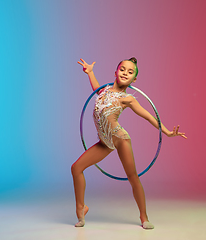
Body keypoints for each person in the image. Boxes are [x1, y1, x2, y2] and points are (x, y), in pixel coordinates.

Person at [71, 57, 187, 229]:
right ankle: (81, 208)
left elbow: (148, 116)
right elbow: (96, 88)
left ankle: (144, 217)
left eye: (130, 72)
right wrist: (90, 72)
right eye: (123, 69)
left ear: (134, 79)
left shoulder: (128, 99)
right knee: (76, 168)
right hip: (104, 142)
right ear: (116, 72)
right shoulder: (104, 91)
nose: (125, 73)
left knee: (133, 177)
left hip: (120, 139)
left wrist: (168, 132)